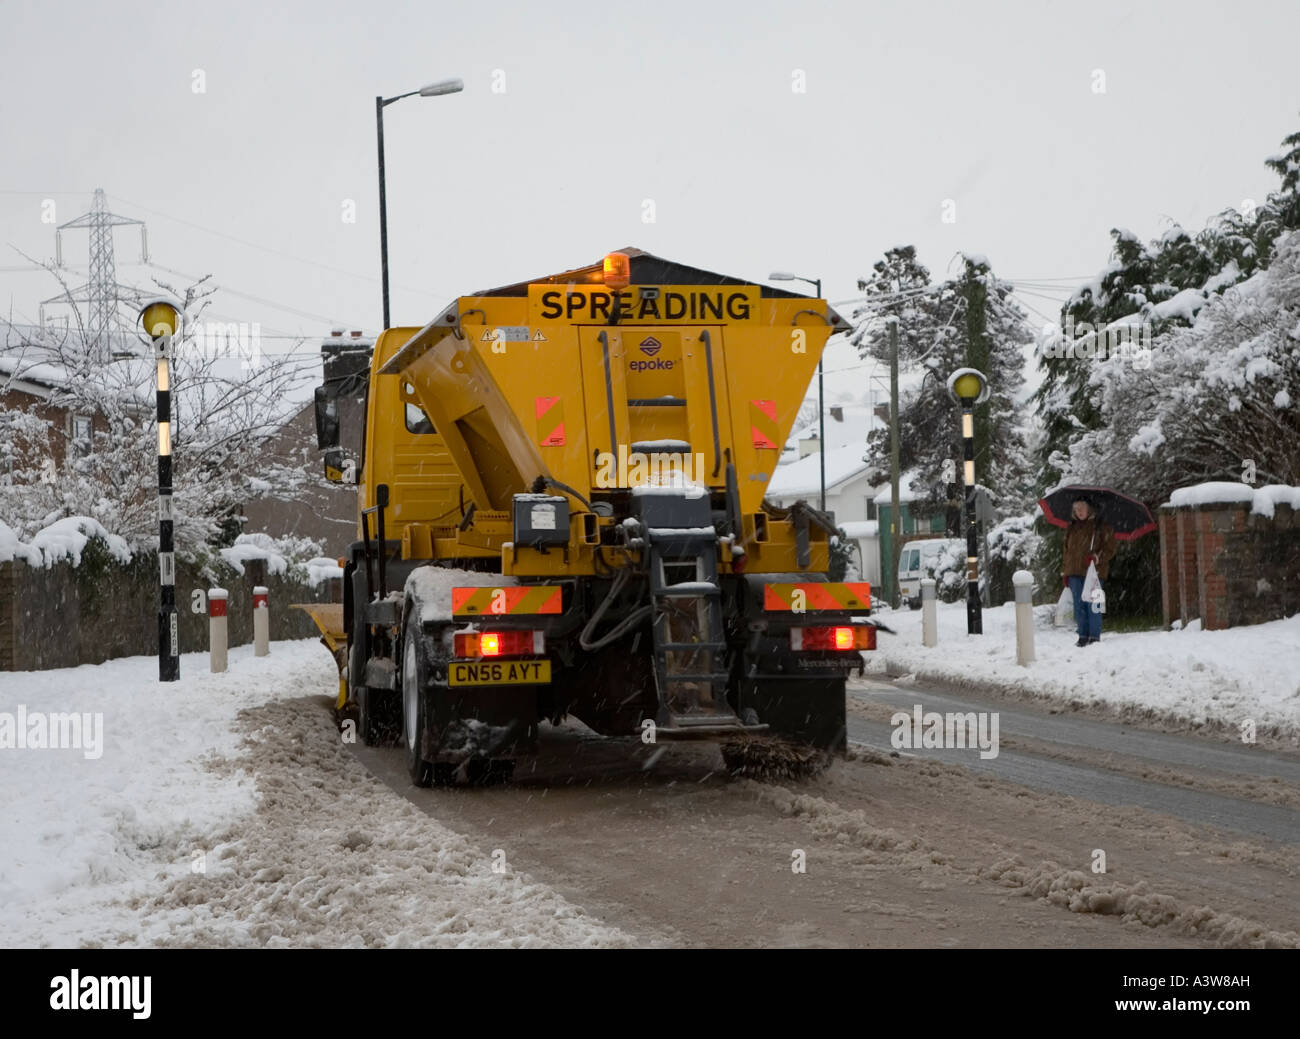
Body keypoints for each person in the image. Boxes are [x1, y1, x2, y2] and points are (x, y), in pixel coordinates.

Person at [1061, 497, 1116, 647]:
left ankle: (1094, 636)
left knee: (1094, 605)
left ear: (1089, 509)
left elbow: (1110, 549)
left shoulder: (1100, 527)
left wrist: (1097, 558)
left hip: (1094, 573)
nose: (1079, 512)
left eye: (1082, 508)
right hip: (1074, 572)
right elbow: (1067, 552)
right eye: (1076, 508)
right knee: (1079, 606)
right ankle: (1083, 635)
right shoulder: (1071, 528)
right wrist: (1065, 572)